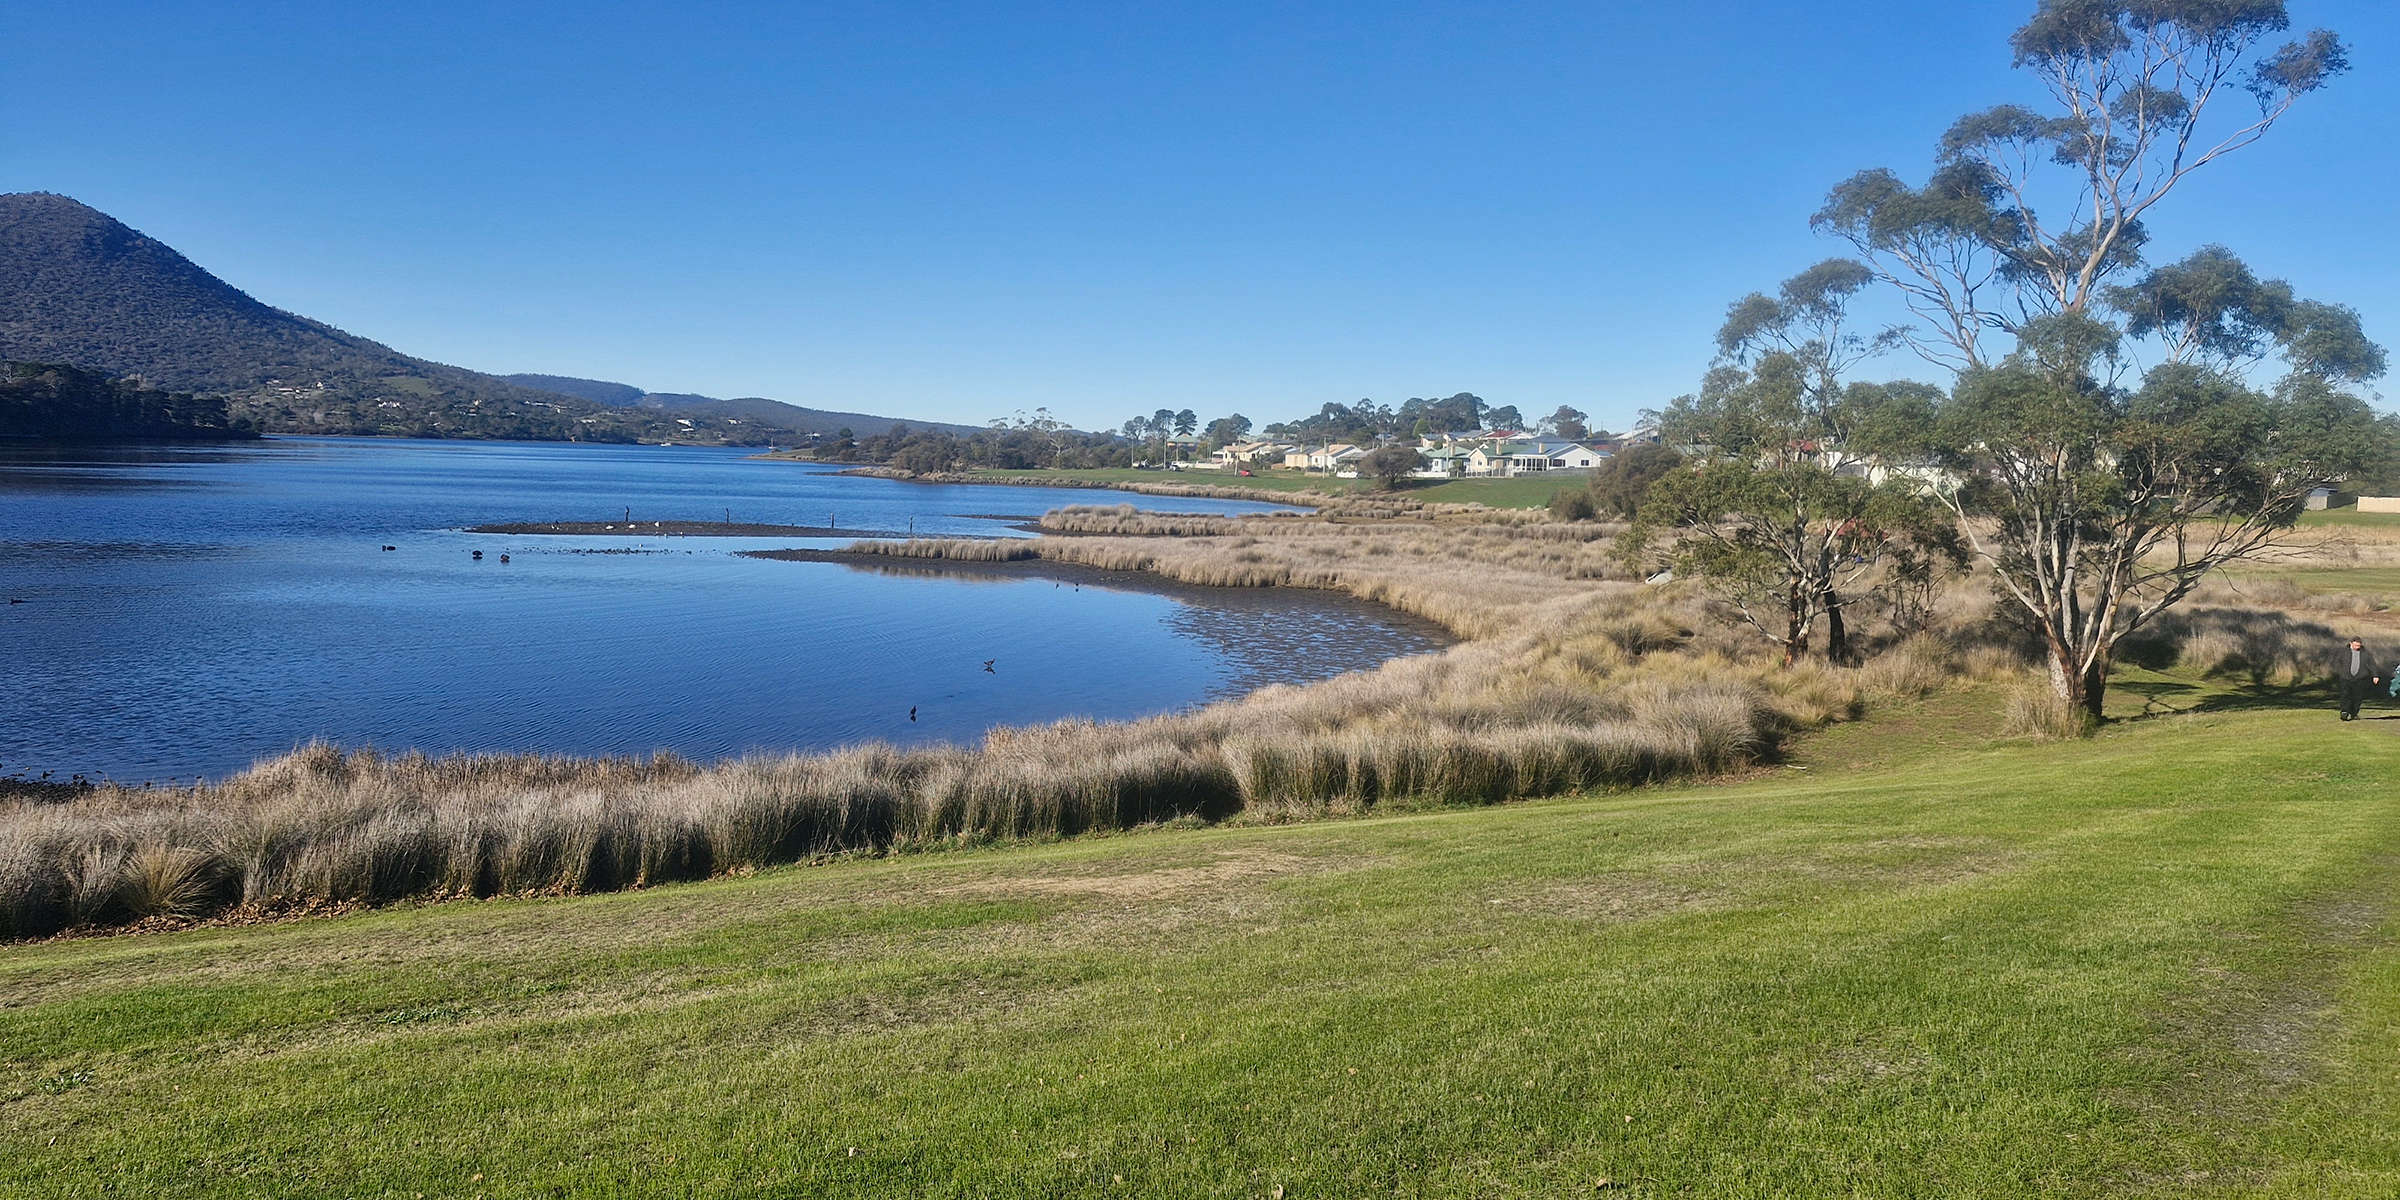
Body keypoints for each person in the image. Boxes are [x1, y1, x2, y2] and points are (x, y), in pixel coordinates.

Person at [2335, 637, 2382, 721]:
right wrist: (2340, 672)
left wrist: (2375, 676)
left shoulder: (2366, 653)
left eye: (2359, 645)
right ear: (2351, 643)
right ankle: (2344, 712)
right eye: (2356, 645)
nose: (2357, 647)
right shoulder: (2342, 652)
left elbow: (2372, 665)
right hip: (2345, 677)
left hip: (2360, 678)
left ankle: (2354, 713)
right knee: (2345, 695)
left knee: (2357, 697)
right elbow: (2336, 663)